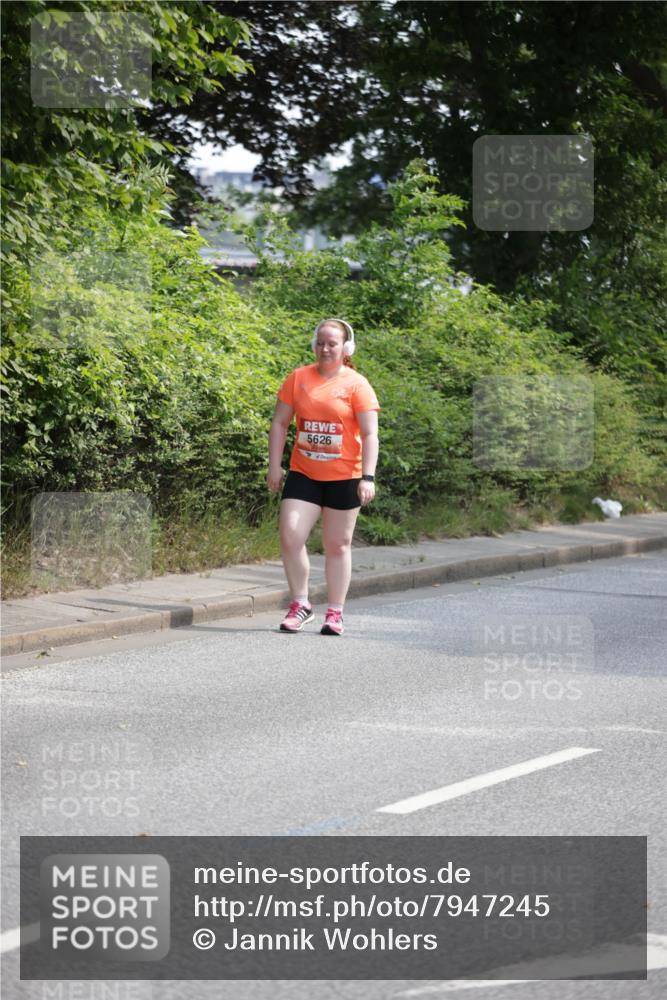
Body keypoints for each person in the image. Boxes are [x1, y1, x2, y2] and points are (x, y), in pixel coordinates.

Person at [267, 319, 380, 635]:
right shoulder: (298, 378)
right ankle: (301, 604)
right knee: (290, 534)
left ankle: (335, 612)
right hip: (305, 472)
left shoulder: (357, 384)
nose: (325, 349)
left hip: (345, 475)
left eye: (332, 343)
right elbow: (279, 423)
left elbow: (370, 434)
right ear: (313, 345)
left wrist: (367, 477)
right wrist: (274, 466)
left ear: (346, 349)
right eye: (321, 342)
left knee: (337, 544)